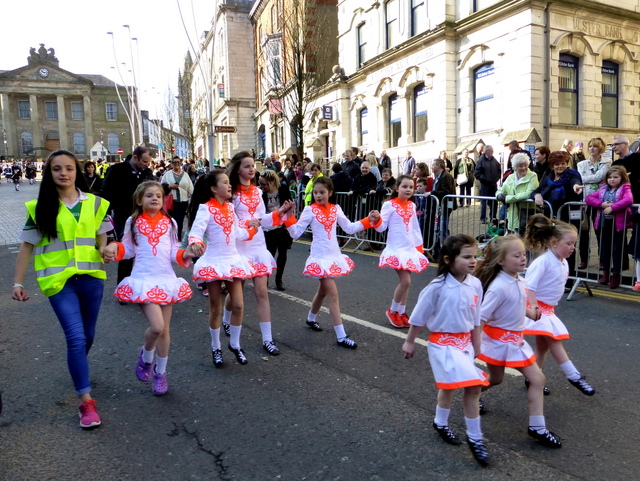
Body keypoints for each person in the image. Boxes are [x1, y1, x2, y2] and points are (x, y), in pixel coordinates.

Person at [12, 149, 111, 428]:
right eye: (57, 169)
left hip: (91, 278)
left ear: (77, 171)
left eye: (68, 168)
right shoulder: (40, 206)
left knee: (87, 336)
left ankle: (78, 366)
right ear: (49, 173)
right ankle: (86, 402)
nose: (63, 173)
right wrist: (17, 282)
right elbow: (26, 247)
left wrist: (106, 250)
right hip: (58, 282)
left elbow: (103, 239)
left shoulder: (95, 204)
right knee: (76, 338)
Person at [402, 234, 489, 466]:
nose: (473, 261)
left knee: (448, 388)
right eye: (467, 257)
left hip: (464, 345)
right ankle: (475, 438)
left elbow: (476, 317)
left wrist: (476, 343)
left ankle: (440, 423)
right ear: (449, 259)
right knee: (473, 386)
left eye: (476, 256)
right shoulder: (437, 287)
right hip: (442, 344)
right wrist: (410, 341)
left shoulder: (475, 284)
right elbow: (419, 317)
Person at [103, 181, 196, 395]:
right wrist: (112, 248)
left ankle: (160, 373)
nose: (155, 198)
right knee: (157, 327)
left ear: (164, 200)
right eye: (149, 195)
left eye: (158, 196)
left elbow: (173, 252)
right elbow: (127, 249)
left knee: (165, 331)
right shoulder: (133, 221)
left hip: (166, 279)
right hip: (143, 279)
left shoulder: (171, 222)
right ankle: (146, 357)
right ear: (139, 200)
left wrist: (188, 251)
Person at [474, 235, 562, 448]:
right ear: (501, 261)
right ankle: (472, 395)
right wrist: (474, 345)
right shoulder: (497, 287)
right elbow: (482, 317)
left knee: (538, 379)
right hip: (497, 341)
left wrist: (530, 313)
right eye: (517, 255)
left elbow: (516, 303)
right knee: (496, 379)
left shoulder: (520, 281)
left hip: (516, 340)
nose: (523, 259)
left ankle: (537, 427)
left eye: (524, 254)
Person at [279, 177, 380, 348]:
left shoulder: (336, 209)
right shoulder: (310, 210)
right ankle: (341, 336)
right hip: (320, 257)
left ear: (330, 193)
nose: (318, 195)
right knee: (332, 294)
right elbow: (295, 233)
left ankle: (311, 318)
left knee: (323, 292)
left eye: (322, 192)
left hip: (333, 256)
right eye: (315, 192)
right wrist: (288, 217)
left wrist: (368, 219)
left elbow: (349, 228)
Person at [187, 171, 257, 367]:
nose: (229, 186)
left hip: (232, 260)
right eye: (225, 183)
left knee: (239, 305)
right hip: (214, 261)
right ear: (214, 188)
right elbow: (196, 232)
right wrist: (195, 243)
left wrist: (252, 229)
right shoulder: (206, 209)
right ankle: (216, 347)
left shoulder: (230, 207)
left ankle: (235, 344)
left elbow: (238, 233)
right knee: (216, 307)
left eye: (229, 183)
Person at [222, 152, 288, 355]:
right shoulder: (231, 194)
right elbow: (228, 223)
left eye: (253, 166)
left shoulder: (259, 192)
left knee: (261, 292)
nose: (252, 169)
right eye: (247, 166)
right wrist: (246, 223)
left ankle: (267, 339)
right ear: (238, 169)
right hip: (240, 247)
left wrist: (280, 212)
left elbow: (263, 220)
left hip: (258, 246)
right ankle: (226, 319)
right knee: (236, 294)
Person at [523, 214, 596, 396]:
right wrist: (534, 307)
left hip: (548, 310)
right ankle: (573, 375)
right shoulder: (543, 262)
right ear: (554, 242)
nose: (572, 248)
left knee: (543, 348)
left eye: (574, 244)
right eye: (569, 244)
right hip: (537, 309)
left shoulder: (562, 262)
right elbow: (528, 287)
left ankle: (532, 379)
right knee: (555, 341)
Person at [374, 175, 429, 328]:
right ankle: (392, 310)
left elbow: (415, 227)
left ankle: (401, 312)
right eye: (405, 186)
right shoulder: (389, 205)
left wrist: (419, 248)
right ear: (397, 188)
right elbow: (381, 227)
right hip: (396, 249)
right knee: (406, 281)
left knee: (406, 284)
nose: (408, 189)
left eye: (411, 187)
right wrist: (376, 219)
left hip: (409, 248)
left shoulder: (411, 205)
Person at [101, 146, 155, 283]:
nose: (146, 165)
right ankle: (123, 286)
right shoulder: (117, 170)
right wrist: (105, 216)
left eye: (148, 162)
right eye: (144, 161)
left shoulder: (147, 173)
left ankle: (144, 285)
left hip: (144, 218)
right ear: (135, 157)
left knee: (146, 252)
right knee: (127, 252)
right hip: (123, 217)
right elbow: (107, 193)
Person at [585, 166, 633, 288]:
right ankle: (605, 274)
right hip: (604, 223)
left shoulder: (625, 187)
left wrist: (613, 207)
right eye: (610, 177)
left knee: (617, 250)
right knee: (604, 250)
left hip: (618, 225)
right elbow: (589, 198)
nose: (612, 180)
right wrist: (601, 204)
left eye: (615, 177)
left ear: (622, 177)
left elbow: (628, 200)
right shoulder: (603, 189)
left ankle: (616, 276)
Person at [576, 138, 610, 269]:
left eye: (595, 146)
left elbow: (600, 177)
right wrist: (588, 180)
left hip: (599, 201)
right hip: (584, 201)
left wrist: (585, 180)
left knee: (599, 230)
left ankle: (602, 260)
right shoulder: (582, 164)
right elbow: (579, 178)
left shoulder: (606, 162)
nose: (592, 149)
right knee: (584, 231)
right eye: (590, 146)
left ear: (600, 148)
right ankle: (584, 258)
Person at [260, 170, 293, 291]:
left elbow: (289, 204)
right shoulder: (261, 194)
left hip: (282, 226)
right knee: (269, 254)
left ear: (272, 182)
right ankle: (266, 279)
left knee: (282, 253)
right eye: (260, 184)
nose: (262, 187)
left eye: (264, 184)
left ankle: (279, 280)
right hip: (268, 227)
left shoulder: (283, 189)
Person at [496, 153, 539, 236]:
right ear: (515, 167)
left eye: (525, 165)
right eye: (520, 166)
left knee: (527, 236)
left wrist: (508, 198)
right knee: (515, 236)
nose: (523, 168)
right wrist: (499, 195)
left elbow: (529, 193)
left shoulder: (532, 176)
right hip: (513, 211)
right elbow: (500, 190)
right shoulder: (510, 177)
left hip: (527, 212)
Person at [161, 156, 194, 241]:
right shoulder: (167, 175)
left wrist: (193, 200)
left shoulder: (185, 175)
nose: (176, 164)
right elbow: (161, 188)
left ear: (180, 164)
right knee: (175, 221)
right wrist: (169, 186)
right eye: (174, 162)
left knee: (180, 220)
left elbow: (191, 189)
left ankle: (177, 238)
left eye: (178, 162)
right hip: (172, 202)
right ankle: (174, 238)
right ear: (172, 164)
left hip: (183, 202)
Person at [429, 158, 457, 257]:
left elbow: (446, 191)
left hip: (444, 206)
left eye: (433, 165)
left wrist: (432, 193)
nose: (431, 167)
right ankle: (439, 251)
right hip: (438, 206)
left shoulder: (446, 177)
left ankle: (445, 251)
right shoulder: (437, 177)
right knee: (439, 228)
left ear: (439, 166)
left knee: (442, 229)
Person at [474, 145, 501, 223]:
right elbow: (477, 173)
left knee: (494, 202)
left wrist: (497, 177)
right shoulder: (481, 160)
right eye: (491, 151)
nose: (492, 152)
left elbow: (499, 169)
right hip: (485, 184)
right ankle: (483, 218)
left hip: (493, 184)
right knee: (484, 202)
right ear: (486, 151)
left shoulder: (494, 160)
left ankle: (493, 217)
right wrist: (485, 179)